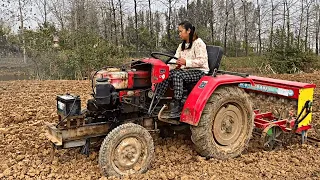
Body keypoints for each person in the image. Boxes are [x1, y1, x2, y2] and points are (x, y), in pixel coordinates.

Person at [156, 21, 209, 118]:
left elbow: (202, 61)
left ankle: (178, 104)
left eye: (181, 31)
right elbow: (175, 59)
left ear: (188, 31)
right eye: (179, 32)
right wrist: (165, 69)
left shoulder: (198, 43)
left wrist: (186, 62)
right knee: (167, 74)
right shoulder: (182, 46)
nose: (179, 34)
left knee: (177, 75)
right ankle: (157, 99)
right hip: (186, 71)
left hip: (200, 71)